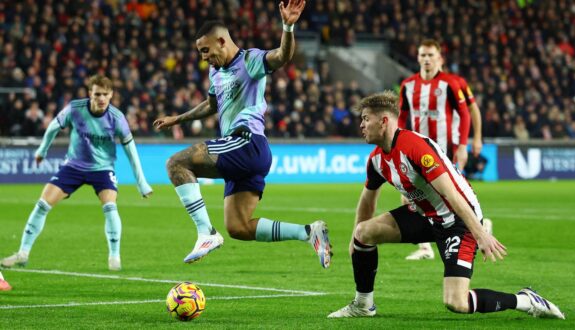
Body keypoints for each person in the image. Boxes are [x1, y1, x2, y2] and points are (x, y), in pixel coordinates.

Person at [327, 91, 564, 319]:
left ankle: (525, 300)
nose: (361, 125)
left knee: (457, 302)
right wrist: (355, 242)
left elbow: (451, 193)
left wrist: (480, 233)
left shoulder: (415, 147)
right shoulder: (377, 159)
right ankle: (363, 305)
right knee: (364, 232)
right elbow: (368, 199)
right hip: (426, 215)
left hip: (458, 221)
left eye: (366, 119)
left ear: (384, 121)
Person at [152, 1, 331, 268]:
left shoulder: (250, 61)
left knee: (176, 163)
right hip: (245, 153)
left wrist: (288, 26)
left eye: (205, 50)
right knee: (238, 227)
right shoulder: (216, 71)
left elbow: (282, 56)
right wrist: (178, 119)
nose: (203, 58)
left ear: (222, 41)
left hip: (246, 142)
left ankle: (206, 234)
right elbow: (212, 105)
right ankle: (309, 232)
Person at [1, 75, 152, 271]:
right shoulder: (76, 108)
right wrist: (42, 150)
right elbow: (54, 125)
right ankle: (23, 253)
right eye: (97, 94)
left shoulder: (117, 118)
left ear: (111, 95)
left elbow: (130, 150)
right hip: (73, 166)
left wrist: (141, 183)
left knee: (110, 206)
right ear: (90, 93)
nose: (101, 98)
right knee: (42, 204)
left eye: (105, 94)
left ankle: (114, 257)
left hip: (103, 168)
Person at [398, 39, 489, 260]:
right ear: (417, 58)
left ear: (440, 58)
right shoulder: (407, 85)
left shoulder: (452, 83)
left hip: (445, 150)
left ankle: (479, 226)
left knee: (451, 196)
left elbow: (469, 112)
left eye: (431, 55)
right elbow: (401, 117)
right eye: (423, 55)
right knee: (408, 195)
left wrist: (468, 143)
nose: (427, 60)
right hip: (416, 150)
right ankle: (425, 247)